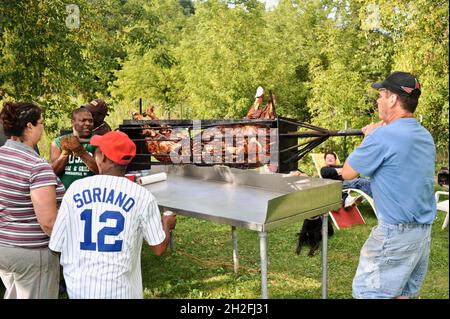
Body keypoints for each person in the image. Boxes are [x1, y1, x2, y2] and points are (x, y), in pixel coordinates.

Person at [341, 71, 436, 299]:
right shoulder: (424, 135)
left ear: (393, 99)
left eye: (381, 94)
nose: (378, 100)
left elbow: (347, 172)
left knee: (367, 293)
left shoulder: (382, 136)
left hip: (395, 234)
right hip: (422, 234)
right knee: (403, 294)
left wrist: (369, 136)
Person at [49, 130, 177, 298]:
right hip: (121, 291)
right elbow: (159, 248)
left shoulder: (75, 189)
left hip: (79, 289)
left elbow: (56, 244)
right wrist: (167, 223)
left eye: (96, 151)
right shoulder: (142, 195)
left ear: (102, 157)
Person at [0, 101, 65, 299]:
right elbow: (48, 223)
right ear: (29, 126)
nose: (42, 128)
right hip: (32, 253)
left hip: (4, 247)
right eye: (41, 123)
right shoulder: (36, 166)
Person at [50, 107, 99, 190]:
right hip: (65, 194)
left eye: (90, 121)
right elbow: (52, 173)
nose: (87, 123)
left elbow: (101, 171)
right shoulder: (59, 142)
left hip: (90, 193)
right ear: (72, 122)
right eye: (83, 120)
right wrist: (65, 154)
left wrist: (81, 152)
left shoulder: (98, 141)